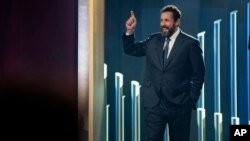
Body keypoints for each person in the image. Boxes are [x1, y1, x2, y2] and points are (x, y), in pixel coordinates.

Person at [122, 5, 205, 141]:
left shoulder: (190, 44)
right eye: (161, 20)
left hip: (179, 105)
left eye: (167, 20)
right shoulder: (153, 40)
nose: (163, 24)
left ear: (177, 22)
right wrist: (130, 31)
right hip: (153, 105)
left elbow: (199, 74)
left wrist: (190, 100)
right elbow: (131, 49)